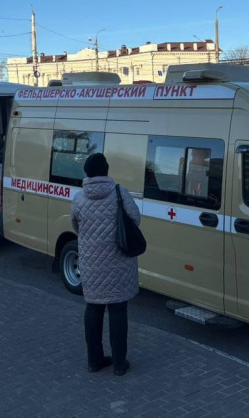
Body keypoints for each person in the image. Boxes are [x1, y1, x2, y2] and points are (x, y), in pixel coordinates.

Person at [70, 153, 141, 376]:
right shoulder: (120, 193)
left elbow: (75, 225)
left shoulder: (79, 199)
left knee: (93, 308)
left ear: (87, 172)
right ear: (107, 170)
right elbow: (135, 220)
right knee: (118, 309)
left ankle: (94, 360)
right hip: (119, 261)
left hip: (91, 263)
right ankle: (120, 364)